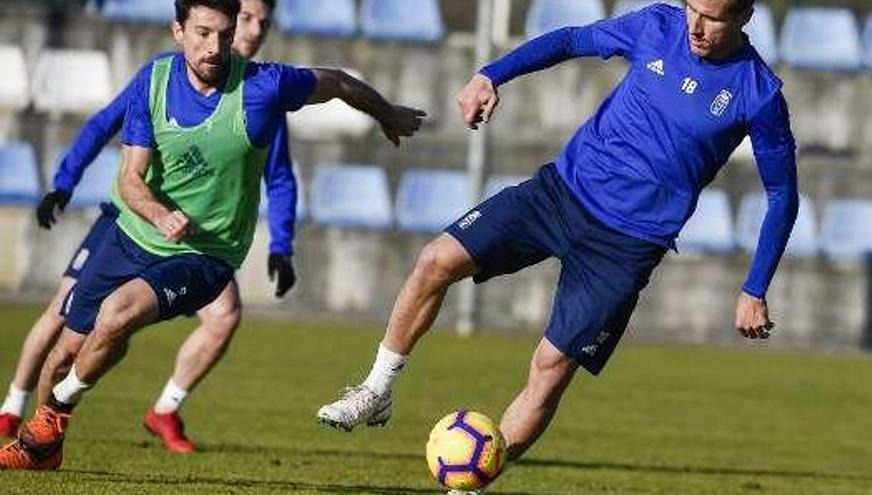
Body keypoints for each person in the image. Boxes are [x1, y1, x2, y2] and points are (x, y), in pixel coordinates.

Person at [317, 0, 798, 483]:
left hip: (626, 245)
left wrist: (755, 287)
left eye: (712, 17)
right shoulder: (656, 25)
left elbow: (782, 194)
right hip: (560, 194)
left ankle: (468, 485)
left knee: (550, 370)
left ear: (742, 17)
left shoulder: (758, 93)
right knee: (435, 260)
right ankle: (377, 388)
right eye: (692, 7)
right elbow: (570, 40)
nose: (695, 24)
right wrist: (491, 75)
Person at [0, 0, 424, 470]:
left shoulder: (265, 85)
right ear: (178, 30)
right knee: (63, 353)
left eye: (224, 34)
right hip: (132, 233)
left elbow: (338, 83)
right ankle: (40, 446)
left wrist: (386, 113)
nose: (215, 46)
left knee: (119, 315)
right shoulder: (154, 80)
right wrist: (137, 208)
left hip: (206, 253)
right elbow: (129, 178)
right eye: (203, 33)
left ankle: (66, 414)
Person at [0, 0, 295, 454]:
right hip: (130, 223)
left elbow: (277, 175)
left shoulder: (263, 94)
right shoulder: (162, 74)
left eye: (261, 23)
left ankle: (164, 409)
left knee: (220, 316)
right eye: (248, 19)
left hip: (189, 244)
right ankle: (12, 408)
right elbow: (105, 123)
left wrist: (282, 243)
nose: (254, 31)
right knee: (64, 313)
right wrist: (63, 183)